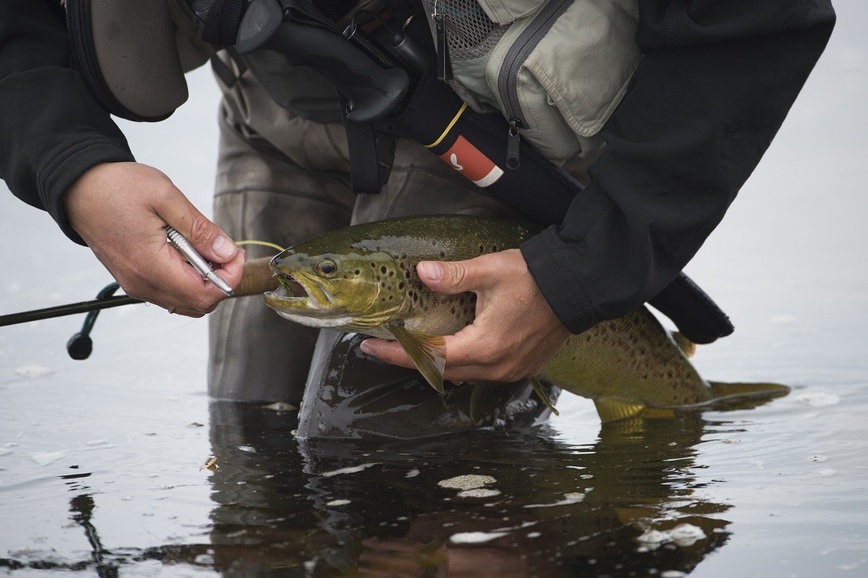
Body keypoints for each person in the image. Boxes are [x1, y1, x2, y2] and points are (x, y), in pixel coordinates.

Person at [0, 1, 836, 409]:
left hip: (485, 139)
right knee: (253, 445)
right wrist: (75, 169)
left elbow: (761, 17)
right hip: (269, 107)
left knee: (395, 476)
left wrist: (583, 270)